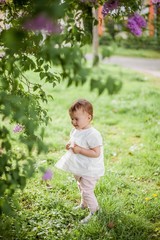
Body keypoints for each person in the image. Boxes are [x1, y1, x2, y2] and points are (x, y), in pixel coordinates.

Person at [55, 99, 105, 223]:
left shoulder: (93, 134)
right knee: (81, 186)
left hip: (90, 169)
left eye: (76, 119)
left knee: (87, 190)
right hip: (79, 167)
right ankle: (84, 204)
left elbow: (96, 153)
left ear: (89, 117)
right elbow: (74, 141)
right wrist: (69, 145)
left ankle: (95, 211)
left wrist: (80, 150)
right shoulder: (76, 130)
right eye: (72, 118)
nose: (73, 121)